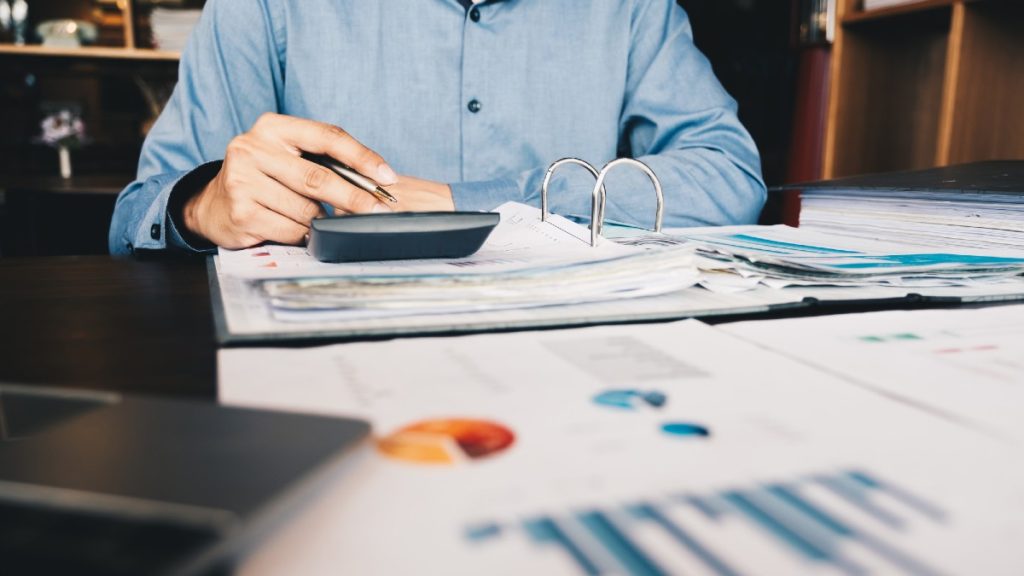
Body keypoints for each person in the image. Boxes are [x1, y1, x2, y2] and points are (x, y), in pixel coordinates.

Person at [109, 0, 765, 255]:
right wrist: (202, 206)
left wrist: (464, 201)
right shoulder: (263, 6)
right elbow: (136, 215)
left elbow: (728, 176)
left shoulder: (632, 8)